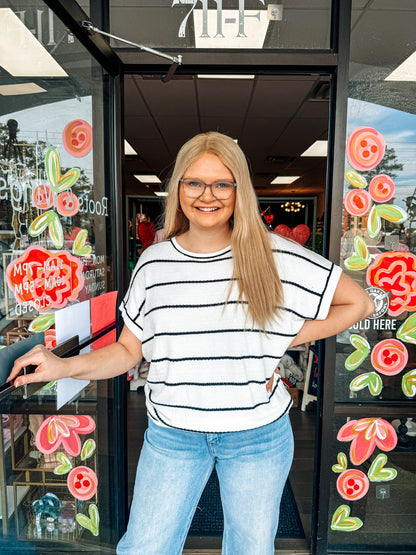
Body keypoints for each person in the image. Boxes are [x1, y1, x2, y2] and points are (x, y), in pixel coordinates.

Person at [9, 132, 374, 555]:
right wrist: (61, 365)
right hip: (173, 436)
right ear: (178, 188)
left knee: (251, 550)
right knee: (144, 548)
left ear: (240, 190)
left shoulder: (274, 255)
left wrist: (280, 335)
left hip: (256, 436)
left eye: (222, 183)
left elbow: (358, 302)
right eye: (194, 182)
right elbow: (130, 350)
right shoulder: (154, 263)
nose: (208, 195)